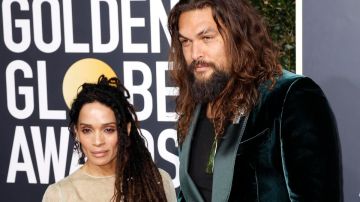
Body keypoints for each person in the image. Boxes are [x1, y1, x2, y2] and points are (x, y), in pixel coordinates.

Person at [167, 0, 343, 201]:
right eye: (186, 42)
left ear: (238, 35)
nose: (194, 53)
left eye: (206, 37)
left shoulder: (290, 96)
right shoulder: (195, 104)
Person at [42, 75, 176, 202]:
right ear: (76, 132)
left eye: (108, 130)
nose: (98, 141)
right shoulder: (59, 195)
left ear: (126, 130)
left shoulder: (157, 181)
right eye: (87, 130)